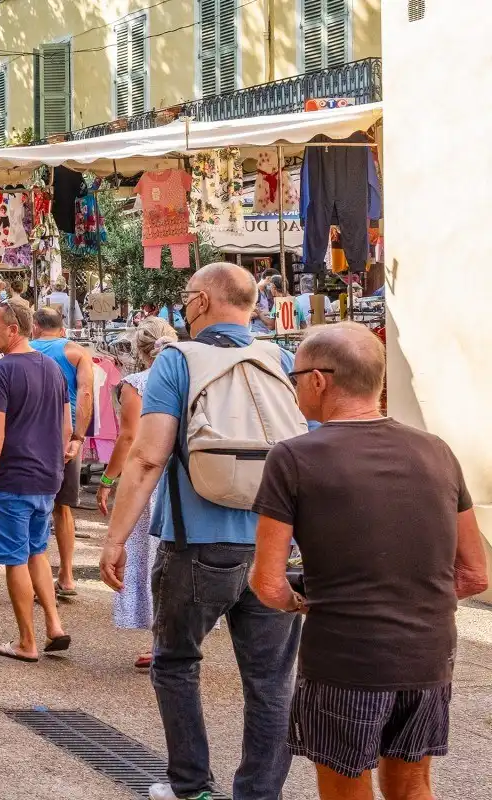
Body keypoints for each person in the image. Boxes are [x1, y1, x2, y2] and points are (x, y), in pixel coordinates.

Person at [249, 323, 487, 800]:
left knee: (344, 787)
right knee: (413, 785)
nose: (294, 388)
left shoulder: (293, 458)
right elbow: (476, 573)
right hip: (427, 650)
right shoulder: (437, 451)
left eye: (293, 378)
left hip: (345, 654)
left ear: (319, 380)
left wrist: (305, 603)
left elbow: (267, 582)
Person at [98, 262, 302, 800]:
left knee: (176, 663)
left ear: (203, 302)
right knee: (270, 683)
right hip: (273, 545)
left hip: (196, 545)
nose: (184, 306)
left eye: (187, 297)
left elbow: (146, 457)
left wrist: (117, 538)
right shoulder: (280, 359)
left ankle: (191, 785)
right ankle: (259, 794)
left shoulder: (177, 361)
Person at [0, 302, 73, 662]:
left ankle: (26, 641)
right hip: (46, 476)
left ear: (12, 330)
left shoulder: (0, 372)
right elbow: (65, 427)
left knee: (15, 558)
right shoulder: (52, 367)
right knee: (37, 552)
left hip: (13, 476)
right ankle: (54, 624)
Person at [95, 316, 178, 671]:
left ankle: (162, 639)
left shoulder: (136, 383)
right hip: (181, 474)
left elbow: (129, 438)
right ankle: (174, 636)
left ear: (138, 350)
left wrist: (109, 480)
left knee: (148, 552)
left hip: (149, 475)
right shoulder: (185, 376)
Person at [29, 307, 95, 599]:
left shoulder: (22, 349)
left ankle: (35, 576)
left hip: (29, 432)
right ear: (62, 328)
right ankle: (67, 575)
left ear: (35, 327)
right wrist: (79, 437)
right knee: (63, 506)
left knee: (30, 504)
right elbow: (85, 394)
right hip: (65, 434)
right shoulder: (77, 352)